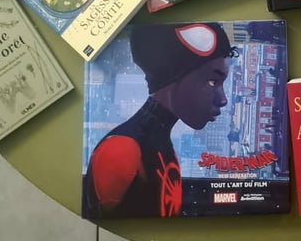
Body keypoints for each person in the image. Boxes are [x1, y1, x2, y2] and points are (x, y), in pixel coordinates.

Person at [83, 22, 235, 218]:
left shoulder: (150, 145)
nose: (223, 100)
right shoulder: (123, 150)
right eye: (212, 81)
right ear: (174, 76)